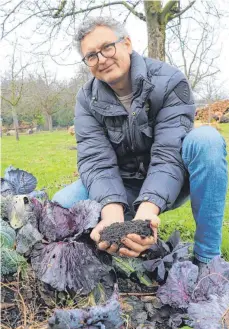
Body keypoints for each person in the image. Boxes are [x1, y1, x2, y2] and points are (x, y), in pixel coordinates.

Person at [52, 17, 228, 264]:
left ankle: (207, 258)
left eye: (107, 47)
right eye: (91, 56)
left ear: (127, 43)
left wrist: (145, 216)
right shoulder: (86, 99)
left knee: (207, 141)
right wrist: (111, 212)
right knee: (60, 207)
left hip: (174, 178)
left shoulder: (170, 81)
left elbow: (169, 154)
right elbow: (96, 161)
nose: (101, 59)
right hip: (123, 183)